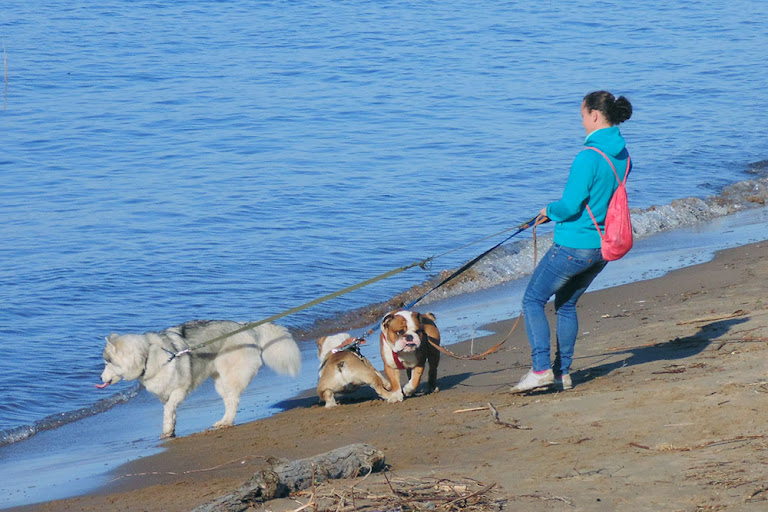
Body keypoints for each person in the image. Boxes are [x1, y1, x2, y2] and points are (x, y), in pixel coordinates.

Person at [511, 90, 633, 393]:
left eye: (582, 115)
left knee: (533, 300)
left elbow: (570, 205)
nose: (581, 122)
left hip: (574, 247)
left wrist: (548, 211)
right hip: (601, 248)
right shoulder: (623, 155)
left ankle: (541, 369)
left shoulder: (588, 157)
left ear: (594, 115)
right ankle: (561, 373)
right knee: (566, 306)